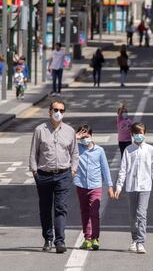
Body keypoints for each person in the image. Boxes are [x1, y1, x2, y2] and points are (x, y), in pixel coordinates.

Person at [29, 99, 79, 253]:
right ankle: (48, 238)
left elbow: (75, 152)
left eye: (62, 111)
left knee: (61, 208)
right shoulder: (40, 130)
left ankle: (60, 241)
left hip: (63, 175)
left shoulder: (69, 131)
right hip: (43, 175)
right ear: (49, 111)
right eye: (56, 110)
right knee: (45, 208)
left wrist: (73, 170)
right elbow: (33, 153)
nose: (58, 113)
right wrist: (35, 172)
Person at [114, 122, 153, 254]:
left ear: (144, 134)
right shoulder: (128, 150)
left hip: (145, 187)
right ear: (132, 135)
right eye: (136, 133)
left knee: (142, 214)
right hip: (131, 187)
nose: (138, 136)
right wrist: (119, 186)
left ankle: (141, 242)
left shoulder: (150, 149)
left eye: (141, 133)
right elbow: (123, 169)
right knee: (133, 216)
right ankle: (134, 240)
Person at [74, 125, 114, 250]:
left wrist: (110, 185)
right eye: (82, 137)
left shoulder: (99, 150)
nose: (84, 139)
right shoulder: (76, 148)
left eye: (87, 136)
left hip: (96, 185)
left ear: (91, 136)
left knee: (94, 212)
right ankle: (87, 238)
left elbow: (105, 168)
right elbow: (64, 146)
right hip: (81, 185)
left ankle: (95, 238)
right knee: (84, 212)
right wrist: (75, 138)